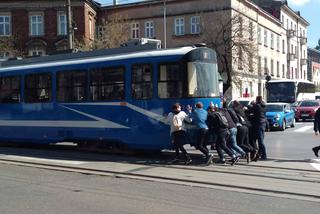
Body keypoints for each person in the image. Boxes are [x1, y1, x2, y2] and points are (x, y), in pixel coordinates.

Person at [252, 96, 267, 160]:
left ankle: (264, 155)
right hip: (263, 123)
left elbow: (252, 109)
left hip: (259, 124)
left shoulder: (257, 106)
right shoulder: (264, 106)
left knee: (260, 141)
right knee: (261, 140)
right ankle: (259, 154)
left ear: (257, 100)